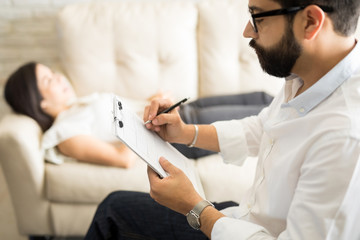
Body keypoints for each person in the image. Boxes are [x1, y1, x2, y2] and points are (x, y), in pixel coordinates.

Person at [84, 0, 360, 239]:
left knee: (113, 213)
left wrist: (194, 207)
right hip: (244, 218)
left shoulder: (344, 136)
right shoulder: (308, 72)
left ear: (310, 22)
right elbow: (262, 128)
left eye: (258, 17)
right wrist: (184, 132)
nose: (247, 31)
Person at [4, 62, 272, 167]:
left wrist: (155, 101)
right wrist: (149, 122)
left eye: (53, 72)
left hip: (181, 112)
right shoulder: (65, 135)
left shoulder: (80, 105)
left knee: (262, 98)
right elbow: (122, 159)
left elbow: (129, 111)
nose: (59, 77)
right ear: (38, 102)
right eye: (48, 80)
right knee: (266, 115)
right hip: (176, 133)